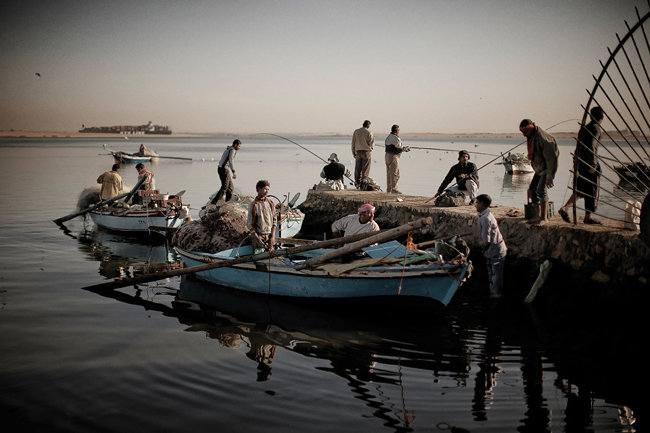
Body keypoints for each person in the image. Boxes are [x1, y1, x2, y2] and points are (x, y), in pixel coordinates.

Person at [558, 106, 604, 224]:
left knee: (581, 188)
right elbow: (591, 147)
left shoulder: (585, 128)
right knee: (592, 190)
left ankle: (566, 208)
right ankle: (587, 216)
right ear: (601, 117)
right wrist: (593, 166)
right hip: (589, 163)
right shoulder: (595, 128)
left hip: (579, 161)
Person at [519, 119, 560, 226]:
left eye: (525, 133)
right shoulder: (532, 137)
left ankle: (544, 218)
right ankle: (537, 215)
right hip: (539, 168)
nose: (524, 135)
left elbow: (551, 159)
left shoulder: (543, 138)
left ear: (531, 129)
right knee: (532, 189)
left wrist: (550, 176)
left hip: (547, 168)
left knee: (541, 189)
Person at [475, 194, 507, 299]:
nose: (475, 205)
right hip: (492, 251)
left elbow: (486, 240)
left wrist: (483, 249)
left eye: (477, 203)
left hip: (496, 250)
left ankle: (496, 297)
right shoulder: (484, 215)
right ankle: (493, 295)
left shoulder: (485, 218)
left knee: (496, 277)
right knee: (492, 276)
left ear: (482, 204)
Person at [247, 180, 277, 251]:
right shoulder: (254, 205)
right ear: (259, 189)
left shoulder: (270, 203)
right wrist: (257, 238)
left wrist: (272, 236)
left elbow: (274, 221)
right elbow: (250, 225)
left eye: (268, 189)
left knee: (271, 256)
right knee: (259, 256)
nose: (267, 191)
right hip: (259, 236)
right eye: (265, 189)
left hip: (269, 235)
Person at [212, 139, 242, 204]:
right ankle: (214, 202)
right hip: (223, 169)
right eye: (239, 146)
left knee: (230, 188)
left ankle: (227, 203)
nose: (239, 148)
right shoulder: (232, 150)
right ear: (235, 144)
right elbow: (231, 161)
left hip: (222, 169)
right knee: (225, 187)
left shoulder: (228, 149)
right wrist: (233, 171)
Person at [384, 124, 410, 194]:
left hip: (387, 156)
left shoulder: (388, 137)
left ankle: (389, 189)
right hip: (393, 157)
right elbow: (399, 149)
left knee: (389, 173)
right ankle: (394, 189)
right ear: (397, 131)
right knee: (395, 173)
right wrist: (406, 149)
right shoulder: (396, 138)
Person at [351, 120, 375, 188]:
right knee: (365, 168)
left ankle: (357, 182)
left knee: (357, 168)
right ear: (368, 126)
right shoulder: (369, 132)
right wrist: (370, 148)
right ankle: (363, 182)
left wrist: (353, 152)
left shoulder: (356, 131)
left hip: (358, 152)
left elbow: (353, 143)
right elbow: (371, 144)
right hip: (366, 152)